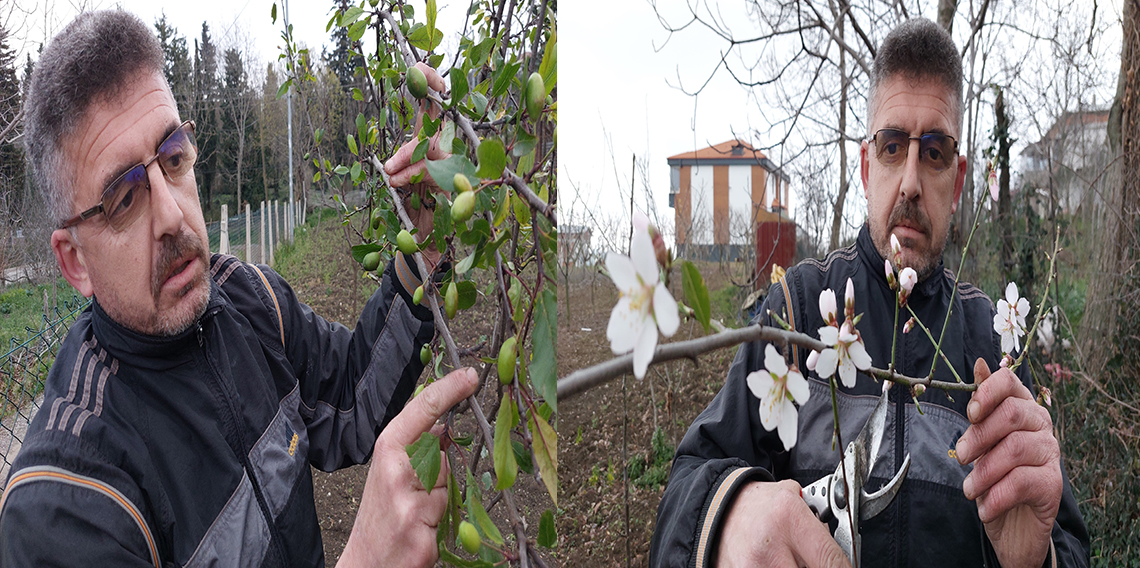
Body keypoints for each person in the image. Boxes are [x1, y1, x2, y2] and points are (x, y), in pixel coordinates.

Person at [0, 10, 465, 568]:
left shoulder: (247, 299)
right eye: (124, 198)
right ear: (74, 262)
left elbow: (353, 400)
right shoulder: (66, 506)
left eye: (172, 157)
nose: (172, 215)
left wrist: (425, 246)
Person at [649, 18, 1089, 568]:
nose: (909, 181)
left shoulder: (993, 347)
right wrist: (727, 519)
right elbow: (682, 495)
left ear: (957, 181)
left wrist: (1036, 561)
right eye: (891, 146)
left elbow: (1070, 546)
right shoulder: (798, 312)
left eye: (933, 153)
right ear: (864, 167)